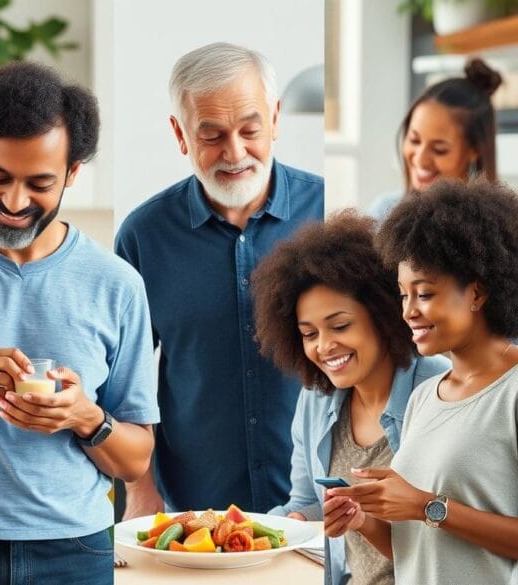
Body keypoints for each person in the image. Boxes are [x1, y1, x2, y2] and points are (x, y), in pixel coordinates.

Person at [0, 61, 157, 585]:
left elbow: (134, 460)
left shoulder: (118, 284)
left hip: (76, 551)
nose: (15, 202)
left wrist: (84, 417)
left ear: (72, 175)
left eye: (39, 183)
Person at [116, 42, 323, 518]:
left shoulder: (327, 215)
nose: (235, 152)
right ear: (180, 133)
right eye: (211, 135)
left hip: (316, 509)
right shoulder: (143, 236)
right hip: (187, 511)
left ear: (275, 118)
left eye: (250, 129)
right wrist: (141, 491)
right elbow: (121, 379)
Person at [326, 180, 518, 583]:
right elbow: (413, 548)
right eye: (402, 295)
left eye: (424, 294)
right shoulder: (423, 398)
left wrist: (428, 506)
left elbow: (427, 511)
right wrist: (361, 519)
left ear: (478, 293)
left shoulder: (512, 390)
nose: (409, 311)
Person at [251, 211, 449, 585]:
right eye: (309, 334)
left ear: (382, 314)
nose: (325, 347)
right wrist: (291, 522)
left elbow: (456, 529)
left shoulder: (439, 388)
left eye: (340, 326)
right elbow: (307, 502)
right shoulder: (316, 399)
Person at [368, 58, 500, 218]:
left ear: (475, 150)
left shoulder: (501, 228)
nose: (420, 160)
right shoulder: (384, 213)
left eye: (439, 149)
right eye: (414, 140)